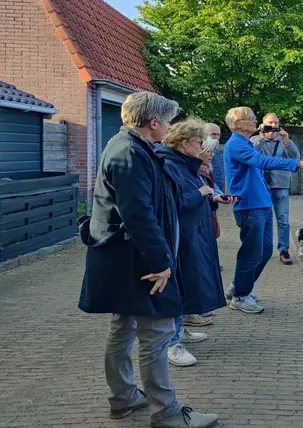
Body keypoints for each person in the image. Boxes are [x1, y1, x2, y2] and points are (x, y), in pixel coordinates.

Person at [77, 92, 218, 428]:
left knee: (124, 327)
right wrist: (160, 262)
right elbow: (138, 214)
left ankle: (124, 397)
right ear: (154, 122)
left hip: (125, 257)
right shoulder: (129, 153)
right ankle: (166, 412)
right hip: (136, 261)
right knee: (158, 330)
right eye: (167, 121)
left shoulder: (129, 146)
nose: (170, 127)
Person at [223, 107, 303, 314]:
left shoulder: (246, 143)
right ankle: (240, 296)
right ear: (237, 124)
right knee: (251, 251)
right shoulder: (236, 144)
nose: (255, 120)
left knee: (265, 251)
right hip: (250, 205)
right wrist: (298, 163)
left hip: (261, 203)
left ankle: (238, 287)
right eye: (250, 119)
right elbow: (262, 161)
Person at [156, 120, 230, 368]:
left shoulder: (184, 166)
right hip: (180, 238)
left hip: (192, 234)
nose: (203, 148)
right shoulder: (169, 165)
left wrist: (211, 195)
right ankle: (171, 343)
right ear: (184, 143)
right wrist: (200, 194)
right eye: (199, 143)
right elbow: (170, 205)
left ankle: (179, 332)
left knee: (186, 284)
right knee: (176, 287)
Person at [250, 113, 300, 264]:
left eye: (275, 122)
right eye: (269, 122)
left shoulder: (284, 140)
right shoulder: (254, 140)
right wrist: (260, 138)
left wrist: (287, 141)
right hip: (261, 186)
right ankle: (258, 251)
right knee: (260, 220)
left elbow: (295, 158)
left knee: (283, 220)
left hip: (281, 185)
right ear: (263, 124)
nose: (273, 125)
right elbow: (252, 158)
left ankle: (284, 250)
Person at [205, 123, 225, 194]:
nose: (216, 137)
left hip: (218, 191)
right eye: (213, 134)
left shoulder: (218, 152)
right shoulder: (200, 152)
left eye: (218, 134)